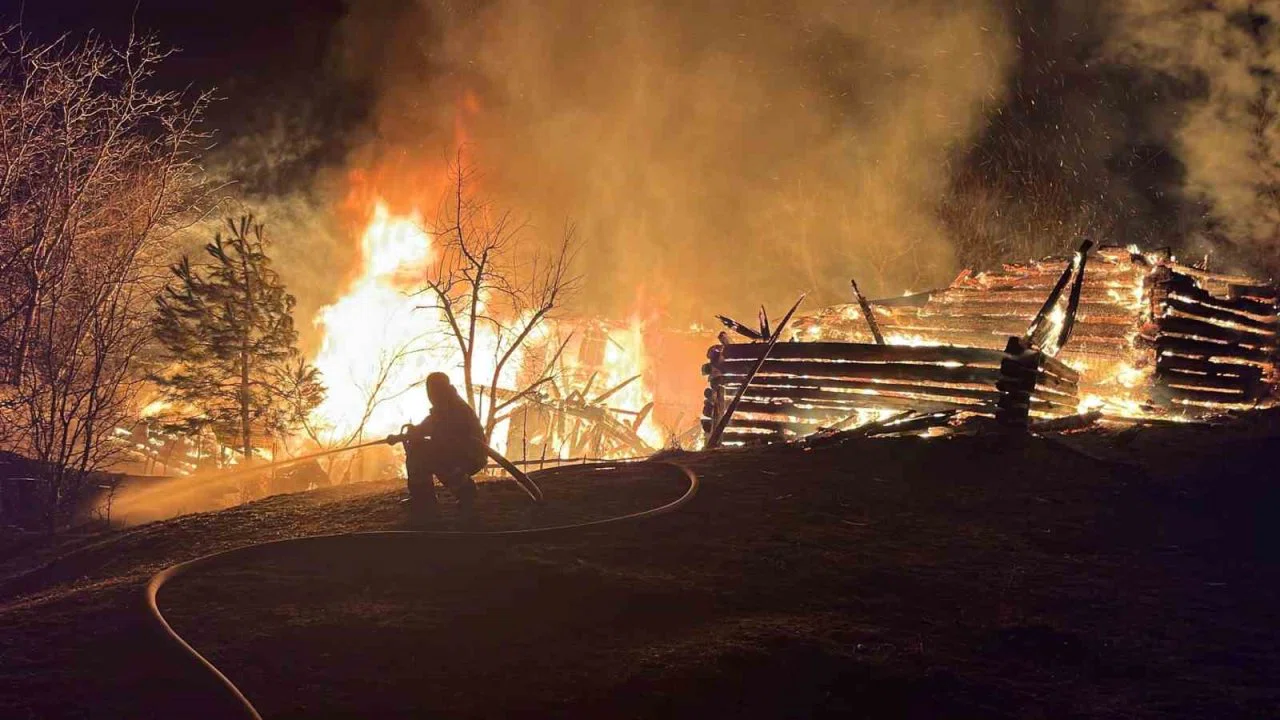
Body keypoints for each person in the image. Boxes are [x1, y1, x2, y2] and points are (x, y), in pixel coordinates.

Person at [385, 372, 487, 518]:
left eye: (433, 390)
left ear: (441, 389)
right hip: (459, 454)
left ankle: (462, 491)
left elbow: (439, 433)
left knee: (425, 453)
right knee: (423, 451)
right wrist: (402, 436)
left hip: (469, 456)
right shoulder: (446, 405)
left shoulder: (454, 409)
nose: (430, 395)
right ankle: (424, 498)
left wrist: (414, 435)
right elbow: (427, 427)